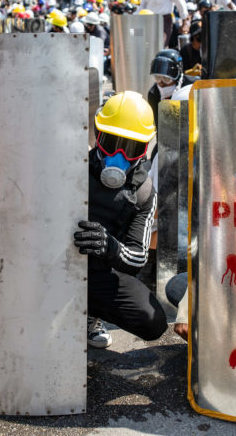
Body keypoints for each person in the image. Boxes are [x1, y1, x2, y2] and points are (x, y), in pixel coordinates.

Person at [74, 91, 167, 348]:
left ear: (144, 150)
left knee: (152, 321)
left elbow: (138, 257)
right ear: (97, 135)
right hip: (50, 263)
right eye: (111, 143)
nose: (119, 156)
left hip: (97, 273)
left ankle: (90, 313)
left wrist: (110, 246)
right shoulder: (70, 165)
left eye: (131, 148)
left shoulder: (143, 191)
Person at [146, 50, 199, 118]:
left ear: (177, 77)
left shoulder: (194, 86)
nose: (161, 83)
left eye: (166, 79)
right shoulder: (153, 94)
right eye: (157, 78)